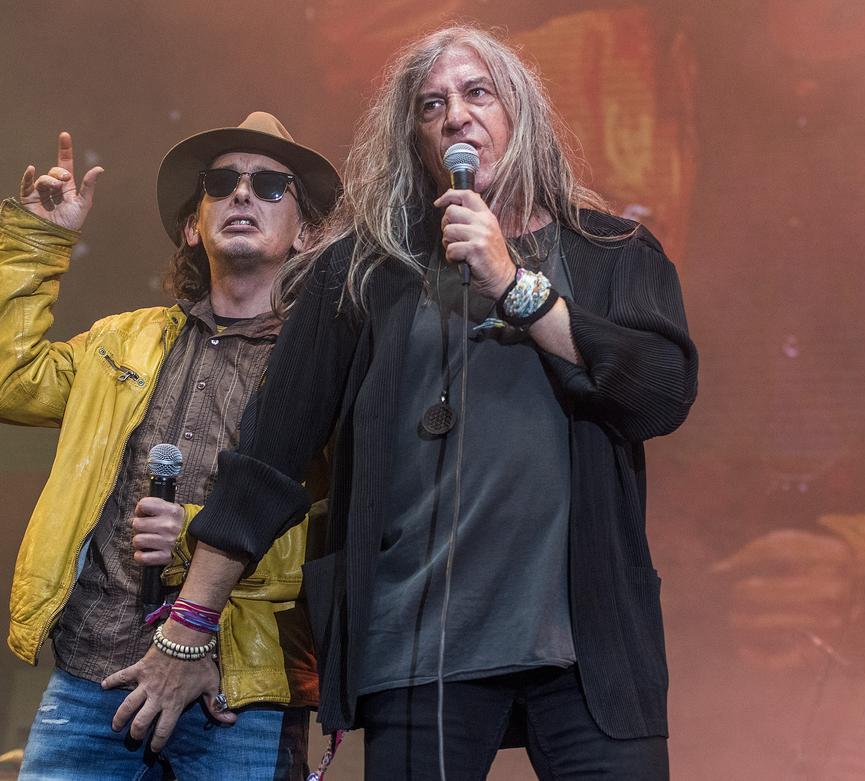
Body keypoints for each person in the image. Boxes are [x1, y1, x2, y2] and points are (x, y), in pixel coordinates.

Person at [106, 27, 699, 780]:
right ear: (414, 137)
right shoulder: (359, 272)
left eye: (477, 93)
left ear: (520, 114)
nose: (456, 115)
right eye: (432, 104)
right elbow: (267, 456)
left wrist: (514, 285)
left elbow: (662, 391)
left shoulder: (613, 252)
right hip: (418, 647)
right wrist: (188, 625)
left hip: (592, 652)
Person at [0, 112, 340, 780]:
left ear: (306, 232)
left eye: (270, 185)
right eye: (222, 182)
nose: (244, 195)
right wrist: (36, 245)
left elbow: (331, 524)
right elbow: (4, 384)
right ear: (193, 226)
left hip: (239, 690)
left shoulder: (321, 365)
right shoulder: (121, 340)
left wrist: (197, 534)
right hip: (94, 679)